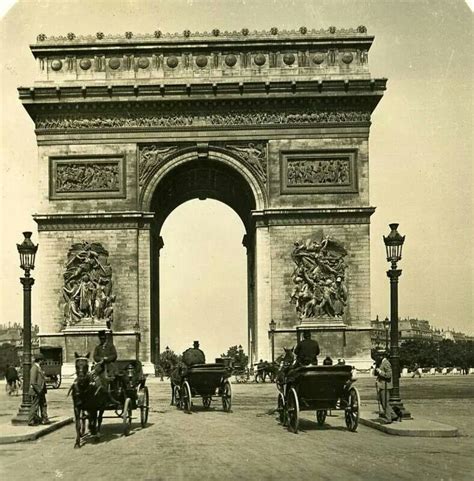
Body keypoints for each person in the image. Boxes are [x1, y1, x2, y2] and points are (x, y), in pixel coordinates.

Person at [374, 351, 397, 423]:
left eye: (378, 356)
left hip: (386, 386)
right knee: (382, 401)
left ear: (382, 356)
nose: (377, 357)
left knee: (385, 402)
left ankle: (388, 418)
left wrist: (380, 372)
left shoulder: (386, 363)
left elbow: (389, 375)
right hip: (382, 385)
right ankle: (393, 415)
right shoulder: (381, 363)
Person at [93, 330, 118, 397]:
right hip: (100, 365)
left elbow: (114, 355)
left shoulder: (111, 346)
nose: (102, 340)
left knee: (112, 375)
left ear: (105, 339)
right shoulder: (98, 347)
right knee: (94, 374)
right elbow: (95, 356)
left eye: (103, 338)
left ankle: (112, 388)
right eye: (101, 339)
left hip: (110, 364)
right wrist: (100, 359)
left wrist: (107, 358)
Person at [28, 354, 50, 426]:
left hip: (41, 391)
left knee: (43, 405)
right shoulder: (34, 368)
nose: (43, 361)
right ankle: (31, 421)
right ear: (40, 360)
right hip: (36, 391)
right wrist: (39, 390)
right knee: (35, 406)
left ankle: (45, 419)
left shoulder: (38, 368)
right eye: (42, 360)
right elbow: (33, 382)